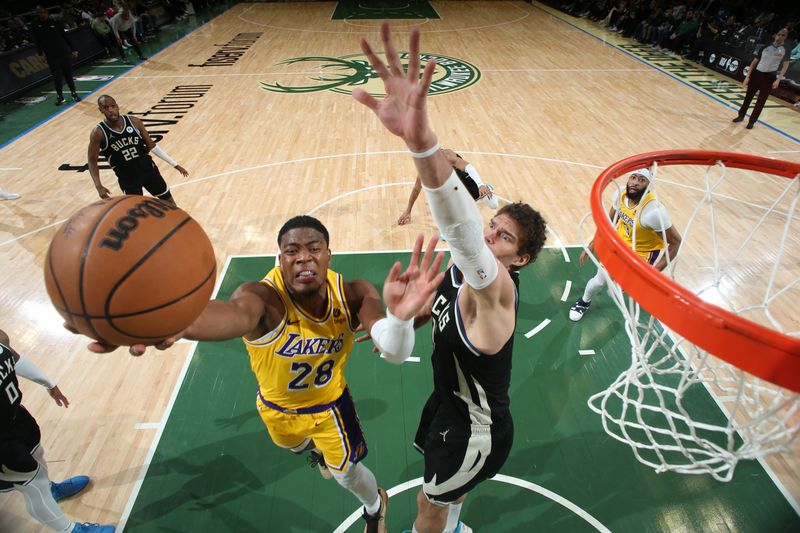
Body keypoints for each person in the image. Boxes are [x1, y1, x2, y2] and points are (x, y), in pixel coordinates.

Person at [78, 216, 446, 533]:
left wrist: (398, 321)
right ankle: (316, 452)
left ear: (329, 255)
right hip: (275, 408)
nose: (304, 256)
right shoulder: (261, 298)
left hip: (329, 409)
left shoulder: (352, 293)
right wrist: (170, 318)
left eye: (315, 247)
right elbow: (231, 315)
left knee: (347, 474)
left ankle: (374, 506)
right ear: (279, 258)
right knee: (293, 446)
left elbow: (392, 346)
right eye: (291, 250)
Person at [353, 23, 548, 533]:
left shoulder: (497, 291)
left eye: (503, 238)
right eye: (493, 226)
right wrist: (398, 320)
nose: (489, 238)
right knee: (442, 494)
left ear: (520, 261)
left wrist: (422, 144)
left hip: (476, 428)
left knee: (427, 510)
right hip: (447, 402)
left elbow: (462, 234)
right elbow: (396, 349)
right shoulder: (455, 277)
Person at [0, 328, 115, 532]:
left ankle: (52, 490)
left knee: (37, 453)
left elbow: (12, 356)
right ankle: (71, 530)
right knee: (34, 486)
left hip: (18, 416)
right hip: (3, 443)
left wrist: (49, 383)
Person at [569, 168, 682, 321]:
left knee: (620, 289)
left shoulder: (654, 213)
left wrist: (654, 273)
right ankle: (584, 302)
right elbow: (609, 221)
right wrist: (593, 243)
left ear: (648, 186)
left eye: (642, 180)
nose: (635, 183)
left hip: (642, 252)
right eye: (633, 177)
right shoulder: (620, 194)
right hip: (620, 244)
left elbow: (676, 242)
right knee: (598, 282)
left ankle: (622, 283)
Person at [88, 95, 188, 205]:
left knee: (171, 205)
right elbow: (92, 160)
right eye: (106, 107)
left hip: (149, 171)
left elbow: (152, 145)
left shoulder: (134, 122)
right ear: (101, 110)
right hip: (128, 179)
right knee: (137, 212)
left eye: (112, 106)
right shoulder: (98, 133)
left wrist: (175, 164)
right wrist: (98, 186)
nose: (111, 110)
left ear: (117, 106)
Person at [397, 148, 498, 226]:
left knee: (493, 205)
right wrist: (408, 211)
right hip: (453, 186)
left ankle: (487, 188)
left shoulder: (447, 155)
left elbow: (468, 167)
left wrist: (481, 185)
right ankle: (450, 226)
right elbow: (416, 189)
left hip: (465, 179)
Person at [732, 27, 791, 129]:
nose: (780, 36)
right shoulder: (766, 46)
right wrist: (748, 76)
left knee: (761, 101)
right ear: (776, 34)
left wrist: (778, 79)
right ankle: (740, 116)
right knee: (748, 97)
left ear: (785, 37)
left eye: (783, 35)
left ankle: (752, 121)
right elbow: (754, 62)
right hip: (757, 74)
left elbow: (785, 66)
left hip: (770, 77)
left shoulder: (785, 50)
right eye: (779, 34)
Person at [30, 5, 80, 105]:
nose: (42, 14)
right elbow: (37, 41)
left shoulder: (55, 22)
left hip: (63, 53)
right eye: (39, 12)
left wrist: (74, 49)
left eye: (43, 12)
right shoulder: (35, 25)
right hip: (51, 56)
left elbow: (65, 36)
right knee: (56, 77)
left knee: (68, 75)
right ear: (37, 14)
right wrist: (40, 54)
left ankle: (74, 94)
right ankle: (60, 97)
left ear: (46, 13)